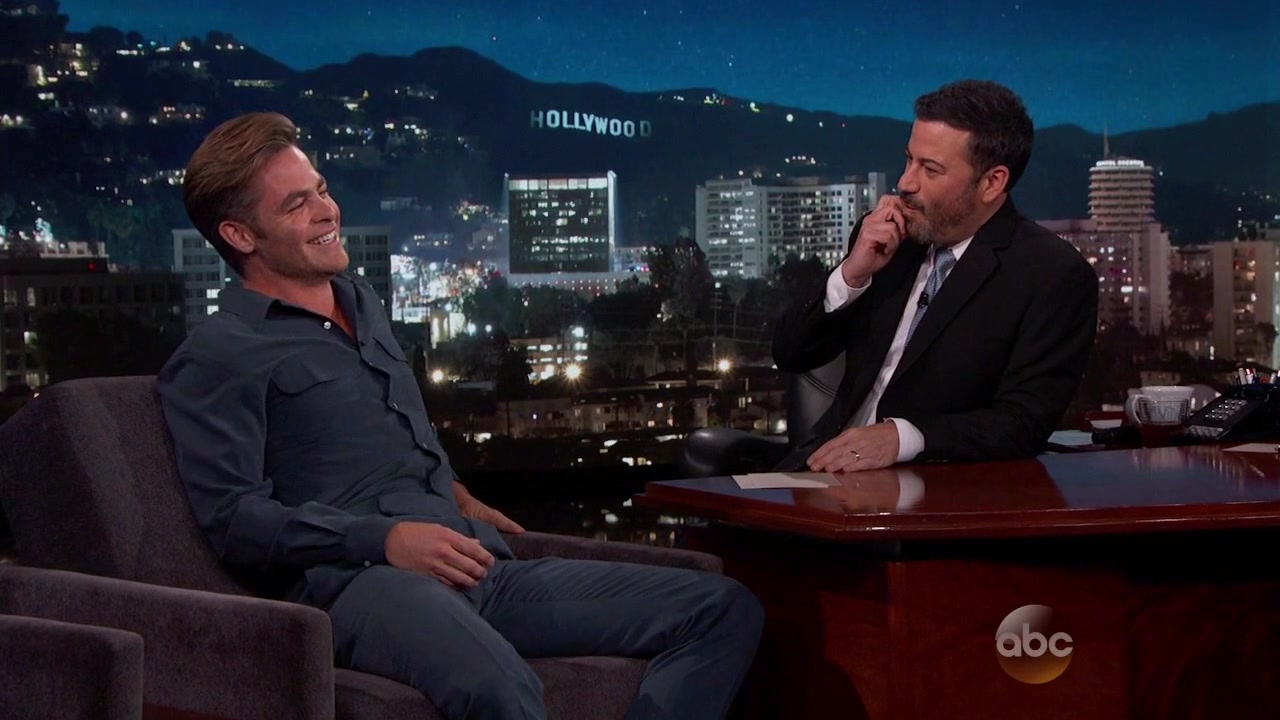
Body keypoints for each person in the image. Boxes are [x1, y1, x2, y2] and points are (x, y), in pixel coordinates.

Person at [156, 112, 763, 720]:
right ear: (240, 235)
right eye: (297, 204)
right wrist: (384, 538)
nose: (327, 211)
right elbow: (235, 521)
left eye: (321, 190)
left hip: (471, 561)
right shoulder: (218, 354)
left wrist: (455, 493)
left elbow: (385, 436)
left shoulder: (362, 304)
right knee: (500, 685)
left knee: (721, 609)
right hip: (360, 585)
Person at [770, 79, 1099, 474]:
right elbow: (790, 354)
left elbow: (1022, 423)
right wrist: (852, 274)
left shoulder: (1050, 274)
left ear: (992, 183)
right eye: (909, 160)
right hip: (822, 469)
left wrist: (903, 438)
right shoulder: (886, 239)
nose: (905, 182)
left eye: (930, 169)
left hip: (932, 485)